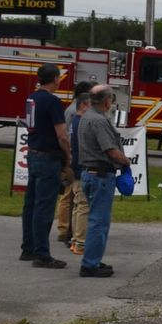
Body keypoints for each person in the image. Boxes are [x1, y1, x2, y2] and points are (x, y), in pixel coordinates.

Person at [77, 85, 132, 278]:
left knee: (96, 220)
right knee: (99, 222)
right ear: (107, 101)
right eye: (111, 99)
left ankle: (93, 259)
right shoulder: (99, 121)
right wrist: (126, 161)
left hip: (90, 174)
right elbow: (111, 150)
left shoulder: (87, 116)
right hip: (99, 176)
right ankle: (90, 264)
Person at [21, 64, 72, 269]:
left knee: (31, 204)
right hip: (48, 157)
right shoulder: (53, 101)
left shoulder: (31, 98)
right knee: (44, 206)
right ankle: (42, 254)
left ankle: (28, 247)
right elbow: (62, 135)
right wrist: (68, 157)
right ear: (55, 79)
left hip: (33, 153)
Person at [57, 81, 93, 246]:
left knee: (72, 197)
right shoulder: (74, 112)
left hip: (71, 158)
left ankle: (68, 230)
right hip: (72, 159)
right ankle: (65, 230)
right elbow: (68, 136)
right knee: (69, 197)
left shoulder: (71, 109)